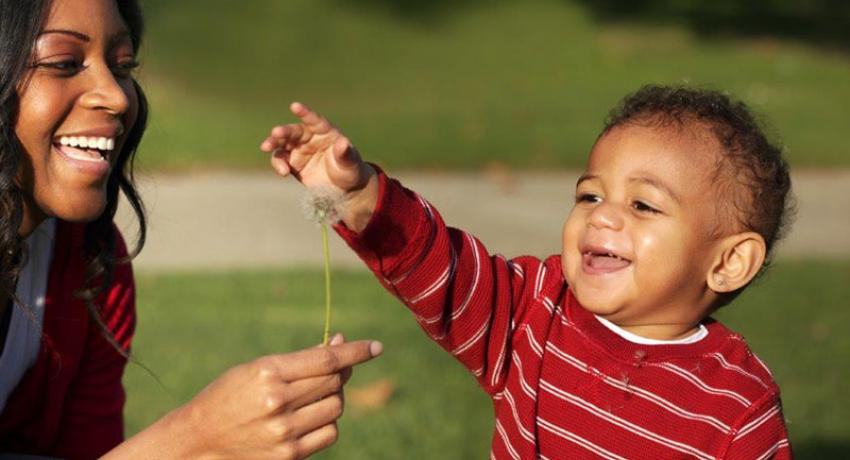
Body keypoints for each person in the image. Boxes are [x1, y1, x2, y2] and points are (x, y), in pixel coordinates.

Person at [259, 86, 794, 459]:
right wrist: (359, 195)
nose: (601, 214)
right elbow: (438, 268)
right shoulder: (535, 310)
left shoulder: (736, 407)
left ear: (728, 263)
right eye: (590, 195)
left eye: (644, 206)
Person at [0, 0, 382, 459]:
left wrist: (216, 447)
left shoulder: (93, 267)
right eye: (64, 62)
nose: (118, 96)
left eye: (123, 65)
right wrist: (196, 435)